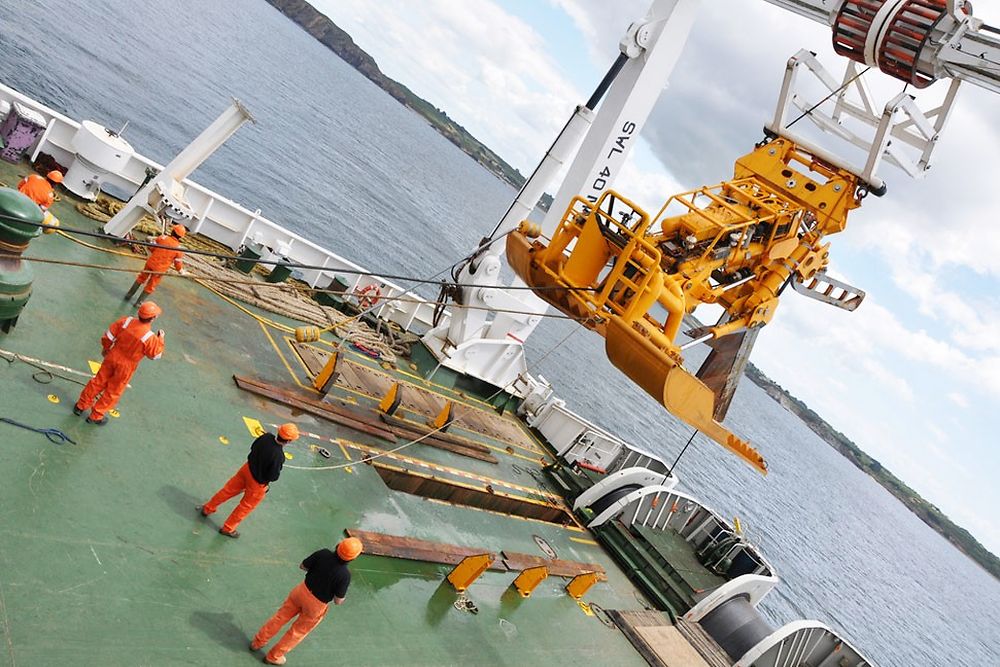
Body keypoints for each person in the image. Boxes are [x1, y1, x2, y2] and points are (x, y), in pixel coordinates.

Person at [250, 538, 363, 665]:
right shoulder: (345, 575)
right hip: (316, 605)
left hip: (301, 591)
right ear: (352, 558)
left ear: (338, 546)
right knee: (297, 632)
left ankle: (257, 642)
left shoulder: (323, 553)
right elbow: (338, 601)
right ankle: (273, 656)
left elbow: (303, 566)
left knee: (279, 617)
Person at [199, 423, 299, 538]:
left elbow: (253, 447)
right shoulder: (279, 456)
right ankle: (228, 528)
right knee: (245, 506)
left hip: (246, 469)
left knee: (227, 491)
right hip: (257, 484)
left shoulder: (266, 437)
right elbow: (273, 476)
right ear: (289, 440)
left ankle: (207, 508)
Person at [74, 301, 165, 425]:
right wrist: (160, 339)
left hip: (112, 356)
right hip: (127, 366)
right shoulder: (150, 337)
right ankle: (96, 416)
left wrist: (106, 348)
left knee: (98, 381)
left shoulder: (126, 321)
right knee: (113, 391)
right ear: (153, 318)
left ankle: (80, 406)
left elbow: (109, 336)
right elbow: (155, 355)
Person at [124, 224, 187, 305]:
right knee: (151, 286)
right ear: (180, 237)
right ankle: (138, 303)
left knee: (141, 278)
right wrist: (181, 271)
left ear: (172, 231)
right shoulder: (178, 249)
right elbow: (178, 263)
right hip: (159, 270)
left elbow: (151, 246)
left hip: (150, 263)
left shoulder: (163, 238)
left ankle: (128, 295)